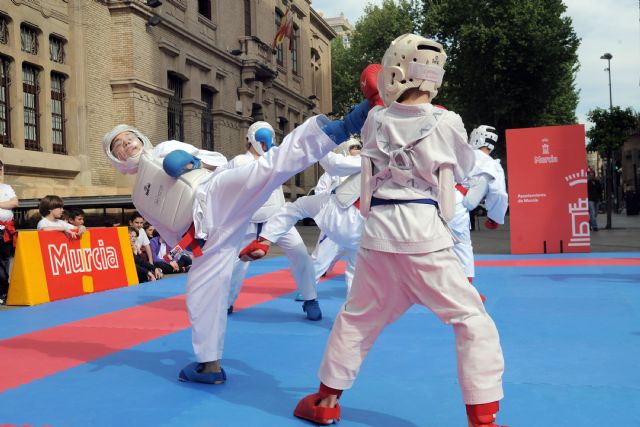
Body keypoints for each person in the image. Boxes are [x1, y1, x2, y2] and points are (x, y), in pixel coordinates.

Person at [290, 35, 507, 427]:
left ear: (396, 69)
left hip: (376, 236)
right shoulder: (449, 121)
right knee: (472, 321)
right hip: (425, 235)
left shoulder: (375, 118)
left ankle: (325, 401)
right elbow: (461, 168)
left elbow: (380, 136)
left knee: (356, 319)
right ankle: (483, 419)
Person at [103, 95, 371, 385]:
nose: (126, 144)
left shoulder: (167, 148)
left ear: (140, 138)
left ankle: (346, 125)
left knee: (268, 169)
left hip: (214, 196)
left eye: (129, 138)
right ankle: (209, 365)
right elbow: (167, 229)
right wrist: (190, 248)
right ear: (117, 159)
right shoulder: (138, 198)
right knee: (200, 292)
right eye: (119, 145)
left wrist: (194, 162)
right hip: (205, 235)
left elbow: (218, 161)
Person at [241, 141, 364, 297]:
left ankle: (264, 241)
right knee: (349, 269)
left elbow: (334, 163)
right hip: (363, 225)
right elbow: (322, 187)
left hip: (340, 213)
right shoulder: (394, 164)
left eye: (358, 147)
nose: (356, 150)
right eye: (353, 147)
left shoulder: (367, 158)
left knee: (296, 208)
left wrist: (320, 143)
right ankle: (353, 311)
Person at [225, 122, 321, 319]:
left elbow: (295, 158)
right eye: (262, 137)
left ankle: (310, 298)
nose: (265, 141)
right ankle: (225, 303)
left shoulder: (277, 157)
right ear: (251, 139)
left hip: (278, 220)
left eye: (269, 137)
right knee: (236, 264)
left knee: (301, 255)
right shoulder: (240, 161)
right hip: (247, 221)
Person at [449, 125, 508, 298]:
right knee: (461, 246)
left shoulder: (458, 153)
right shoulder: (491, 164)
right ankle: (466, 293)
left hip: (435, 197)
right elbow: (498, 193)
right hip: (457, 203)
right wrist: (495, 217)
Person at [0, 160, 18, 305]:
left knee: (5, 260)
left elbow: (14, 203)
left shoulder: (6, 187)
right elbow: (9, 203)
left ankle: (4, 291)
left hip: (6, 230)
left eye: (0, 169)